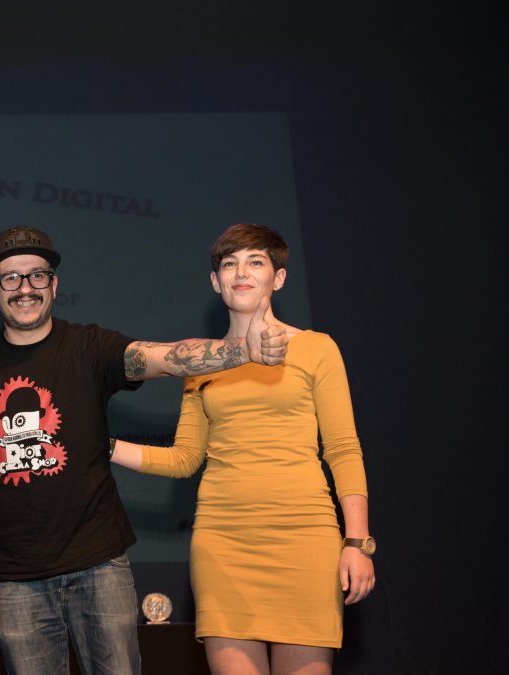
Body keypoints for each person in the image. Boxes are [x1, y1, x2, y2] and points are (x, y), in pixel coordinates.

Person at [0, 225, 288, 675]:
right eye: (10, 278)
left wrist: (241, 351)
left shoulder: (89, 346)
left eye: (37, 275)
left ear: (54, 285)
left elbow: (165, 357)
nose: (24, 288)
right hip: (16, 578)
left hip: (99, 565)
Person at [110, 223, 374, 675]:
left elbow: (344, 449)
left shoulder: (316, 349)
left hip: (305, 537)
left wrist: (357, 542)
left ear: (279, 278)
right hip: (223, 543)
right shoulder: (200, 362)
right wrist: (104, 446)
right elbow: (184, 459)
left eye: (256, 262)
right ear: (216, 282)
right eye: (229, 264)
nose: (241, 272)